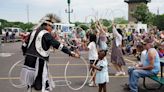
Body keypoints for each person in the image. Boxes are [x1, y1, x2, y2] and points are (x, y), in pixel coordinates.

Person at [20, 14, 80, 92]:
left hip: (28, 60)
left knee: (31, 83)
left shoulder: (33, 32)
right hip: (39, 60)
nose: (52, 29)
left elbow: (24, 45)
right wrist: (71, 53)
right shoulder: (45, 34)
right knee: (41, 83)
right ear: (47, 25)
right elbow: (57, 45)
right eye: (52, 27)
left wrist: (25, 53)